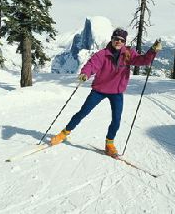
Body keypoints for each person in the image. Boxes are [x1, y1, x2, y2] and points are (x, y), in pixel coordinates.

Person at [50, 28, 162, 157]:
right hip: (99, 90)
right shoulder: (102, 54)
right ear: (112, 39)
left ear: (124, 42)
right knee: (82, 112)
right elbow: (91, 65)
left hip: (116, 92)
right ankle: (64, 133)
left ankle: (109, 144)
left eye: (121, 40)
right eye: (116, 39)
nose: (118, 42)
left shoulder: (128, 54)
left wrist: (153, 50)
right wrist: (85, 74)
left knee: (116, 120)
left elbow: (143, 60)